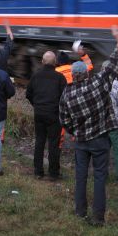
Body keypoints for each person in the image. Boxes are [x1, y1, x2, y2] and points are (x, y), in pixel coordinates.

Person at [59, 27, 118, 226]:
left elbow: (65, 121)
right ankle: (98, 217)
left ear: (72, 75)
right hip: (100, 140)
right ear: (86, 73)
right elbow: (112, 65)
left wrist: (75, 131)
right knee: (99, 177)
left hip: (80, 141)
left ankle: (80, 212)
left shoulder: (67, 95)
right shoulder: (97, 84)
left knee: (80, 177)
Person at [26, 51, 67, 180]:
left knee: (39, 141)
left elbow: (28, 94)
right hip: (54, 115)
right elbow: (65, 97)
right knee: (53, 144)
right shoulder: (60, 77)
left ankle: (38, 171)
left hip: (39, 113)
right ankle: (53, 173)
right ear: (55, 63)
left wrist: (36, 105)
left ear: (42, 62)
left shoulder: (35, 76)